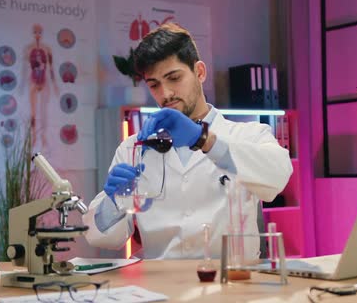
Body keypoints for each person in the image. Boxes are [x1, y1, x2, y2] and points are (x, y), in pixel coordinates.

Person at [83, 23, 293, 259]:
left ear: (200, 72)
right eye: (154, 85)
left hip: (230, 282)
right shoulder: (134, 149)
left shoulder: (247, 135)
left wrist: (203, 139)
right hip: (160, 287)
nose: (165, 94)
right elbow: (102, 238)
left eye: (174, 78)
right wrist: (112, 201)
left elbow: (278, 177)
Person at [20, 23, 59, 148]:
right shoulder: (28, 49)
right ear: (32, 33)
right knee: (33, 112)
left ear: (42, 34)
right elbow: (25, 68)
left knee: (43, 111)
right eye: (35, 32)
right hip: (32, 80)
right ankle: (33, 136)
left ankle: (43, 136)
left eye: (39, 32)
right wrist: (21, 84)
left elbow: (51, 68)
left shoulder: (47, 49)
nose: (37, 34)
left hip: (44, 80)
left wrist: (55, 84)